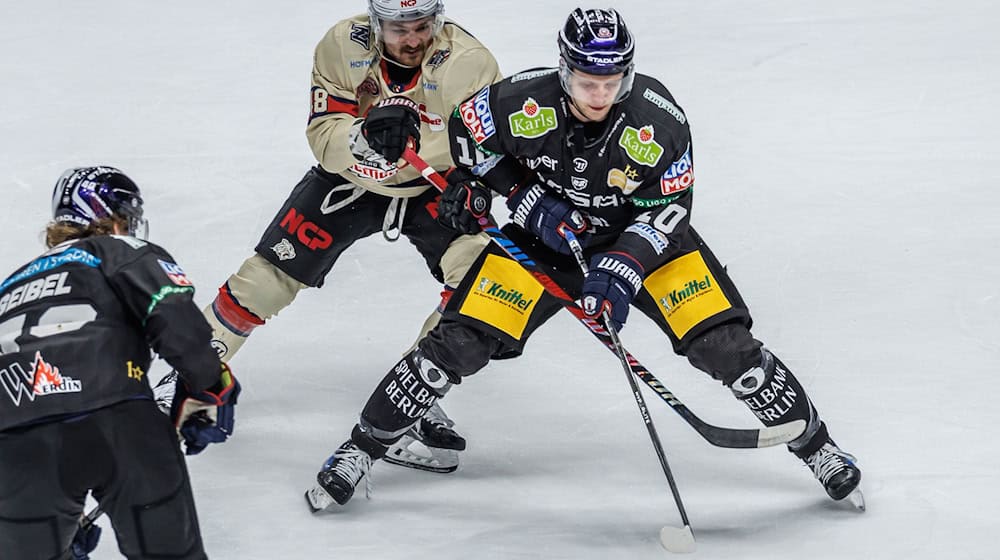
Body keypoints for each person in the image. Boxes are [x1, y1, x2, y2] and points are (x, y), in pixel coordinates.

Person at [308, 8, 863, 511]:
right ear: (563, 70)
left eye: (611, 81)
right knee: (454, 345)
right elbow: (467, 139)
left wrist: (620, 270)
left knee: (725, 347)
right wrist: (521, 198)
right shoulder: (523, 100)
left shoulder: (658, 121)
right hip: (543, 246)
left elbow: (670, 209)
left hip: (646, 244)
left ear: (627, 74)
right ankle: (359, 450)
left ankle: (819, 449)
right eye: (586, 81)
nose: (599, 95)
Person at [159, 0, 503, 473]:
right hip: (352, 182)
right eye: (400, 28)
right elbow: (324, 136)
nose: (413, 40)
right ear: (376, 22)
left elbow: (488, 149)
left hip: (434, 188)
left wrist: (473, 183)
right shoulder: (343, 44)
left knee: (477, 284)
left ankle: (411, 396)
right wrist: (363, 137)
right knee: (266, 278)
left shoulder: (470, 63)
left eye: (422, 26)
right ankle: (186, 377)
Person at [0, 166, 240, 559]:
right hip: (117, 417)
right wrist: (211, 386)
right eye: (125, 214)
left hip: (16, 443)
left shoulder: (8, 287)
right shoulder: (117, 251)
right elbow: (178, 323)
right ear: (105, 215)